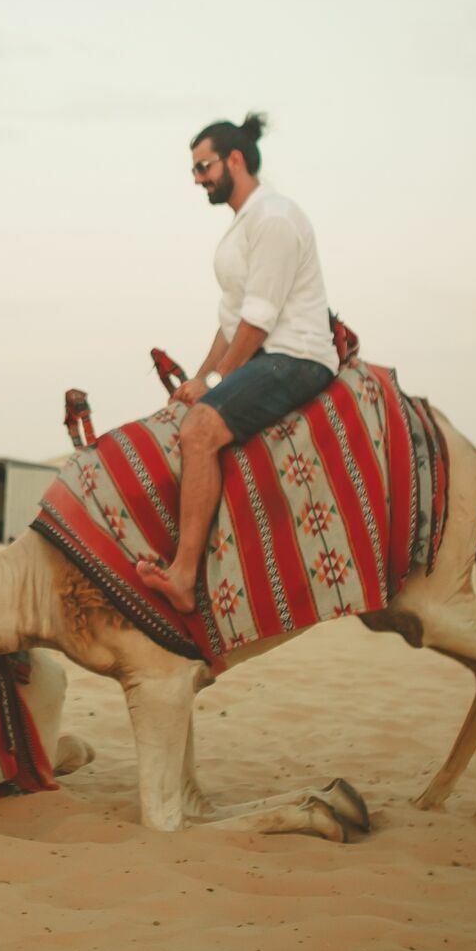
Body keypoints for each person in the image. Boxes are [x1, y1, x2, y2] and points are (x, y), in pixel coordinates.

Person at [136, 113, 339, 615]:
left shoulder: (273, 219)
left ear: (234, 159)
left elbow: (259, 320)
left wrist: (218, 382)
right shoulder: (246, 223)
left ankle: (183, 575)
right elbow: (231, 322)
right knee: (190, 409)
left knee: (200, 430)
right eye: (194, 170)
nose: (197, 178)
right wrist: (201, 378)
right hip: (264, 353)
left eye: (203, 166)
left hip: (296, 357)